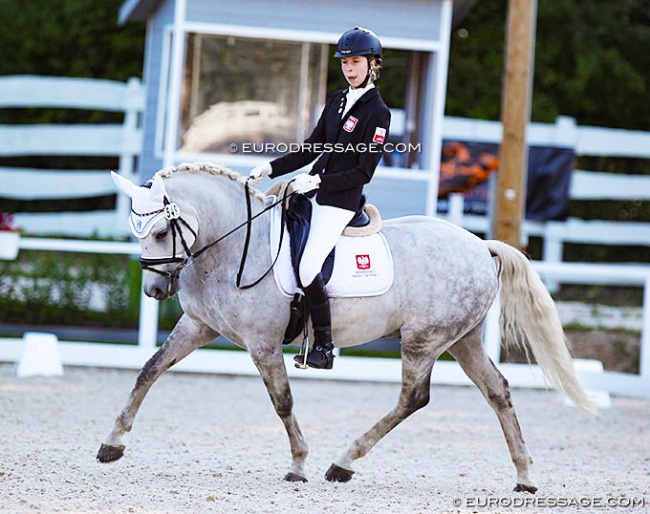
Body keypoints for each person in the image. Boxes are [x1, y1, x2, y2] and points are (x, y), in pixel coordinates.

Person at [250, 27, 391, 370]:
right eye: (345, 62)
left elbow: (362, 173)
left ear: (372, 64)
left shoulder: (378, 112)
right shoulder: (338, 100)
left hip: (340, 202)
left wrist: (317, 182)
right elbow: (312, 147)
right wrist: (270, 168)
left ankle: (325, 346)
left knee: (309, 265)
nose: (349, 68)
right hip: (315, 190)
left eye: (356, 62)